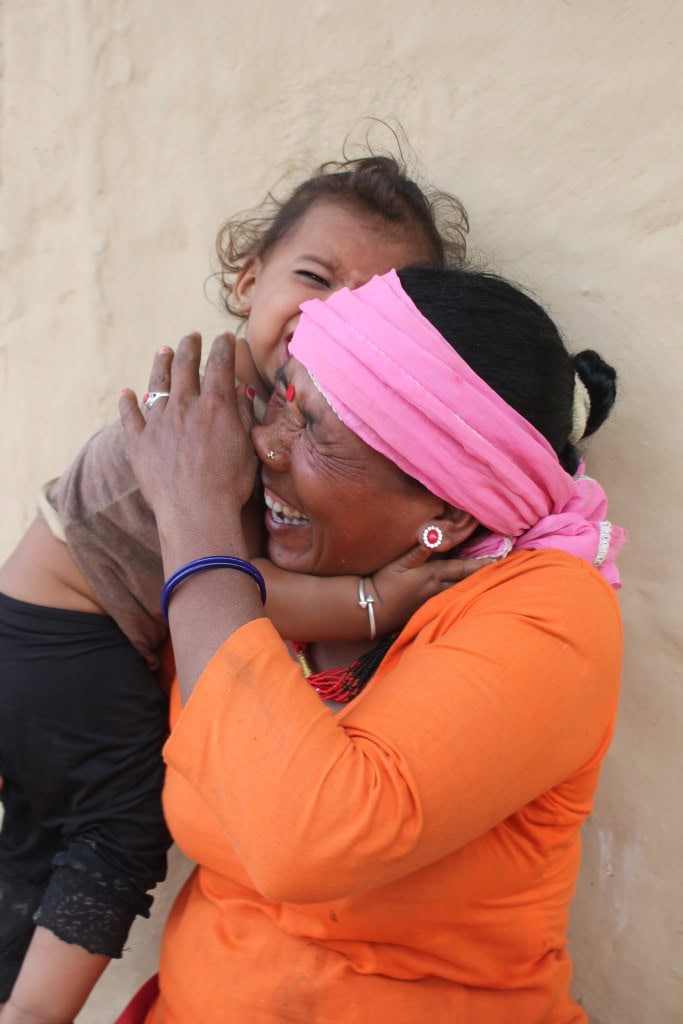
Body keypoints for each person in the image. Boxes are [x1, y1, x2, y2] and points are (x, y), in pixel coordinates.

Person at [0, 155, 474, 1024]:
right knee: (119, 824)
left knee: (39, 843)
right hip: (66, 631)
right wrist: (374, 597)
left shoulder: (271, 419)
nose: (327, 314)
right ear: (249, 278)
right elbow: (226, 583)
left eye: (366, 305)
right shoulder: (218, 418)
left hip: (41, 633)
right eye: (313, 277)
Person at [113, 265, 626, 1023]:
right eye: (283, 400)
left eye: (315, 429)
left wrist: (193, 522)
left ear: (448, 513)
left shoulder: (550, 612)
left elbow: (307, 837)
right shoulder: (257, 574)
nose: (265, 446)